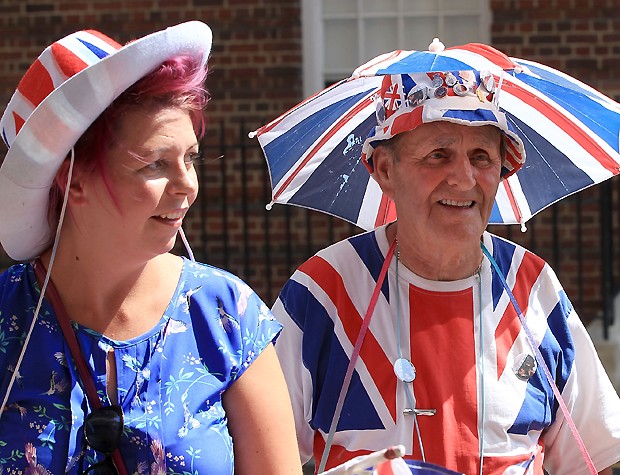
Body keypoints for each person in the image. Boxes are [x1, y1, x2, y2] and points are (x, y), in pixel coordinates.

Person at [272, 71, 620, 474]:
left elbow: (590, 456)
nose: (464, 178)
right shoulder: (324, 290)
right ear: (385, 169)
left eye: (482, 157)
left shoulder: (532, 285)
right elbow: (262, 453)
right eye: (438, 154)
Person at [0, 22, 302, 474]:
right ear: (73, 178)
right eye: (156, 163)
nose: (188, 186)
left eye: (191, 159)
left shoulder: (226, 316)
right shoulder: (7, 318)